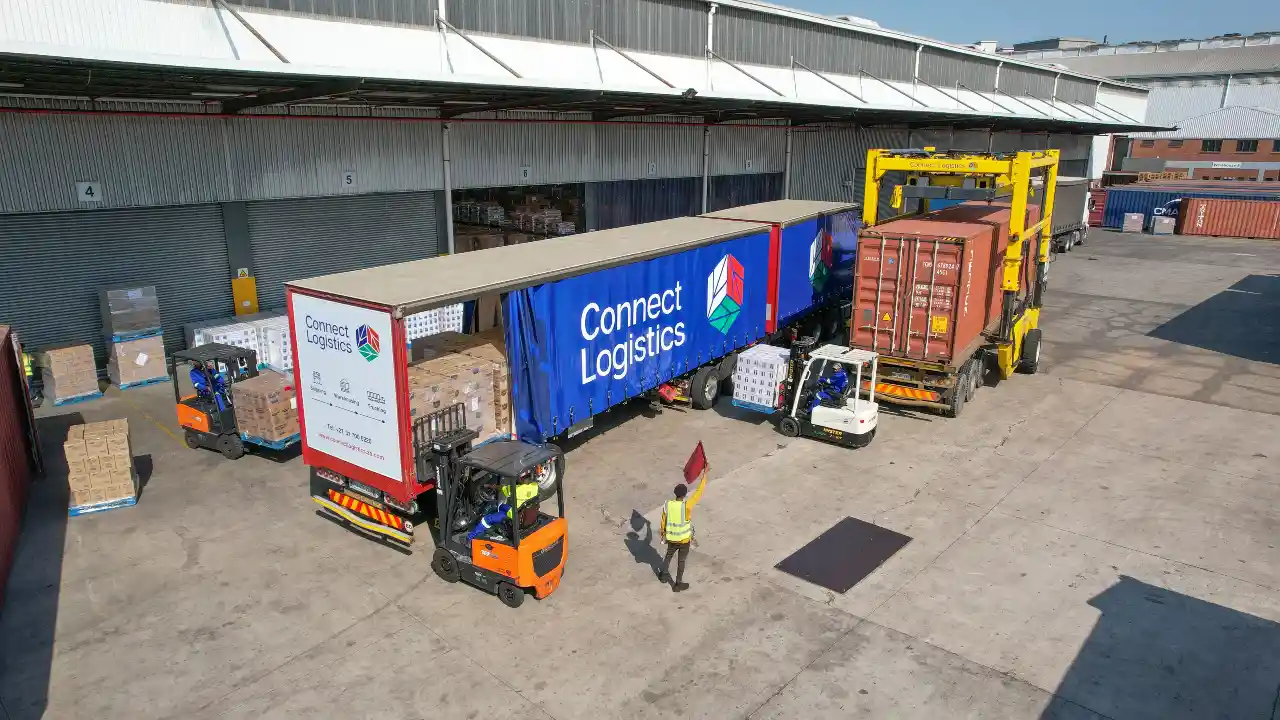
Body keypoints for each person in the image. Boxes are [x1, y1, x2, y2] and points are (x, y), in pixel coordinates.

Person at [658, 467, 709, 592]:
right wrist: (705, 475)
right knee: (681, 561)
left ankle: (664, 575)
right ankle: (677, 584)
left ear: (675, 494)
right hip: (684, 540)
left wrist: (663, 534)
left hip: (671, 538)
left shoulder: (668, 504)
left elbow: (663, 521)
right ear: (685, 494)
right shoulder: (687, 505)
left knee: (668, 556)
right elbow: (699, 491)